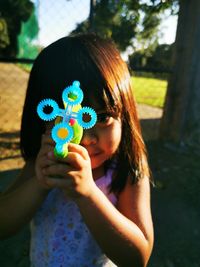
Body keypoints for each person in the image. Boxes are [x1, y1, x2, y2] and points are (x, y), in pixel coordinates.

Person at [0, 33, 154, 267]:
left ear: (125, 114)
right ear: (43, 118)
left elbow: (138, 257)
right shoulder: (42, 164)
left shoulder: (128, 171)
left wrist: (88, 194)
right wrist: (39, 183)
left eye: (101, 117)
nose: (86, 138)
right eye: (64, 118)